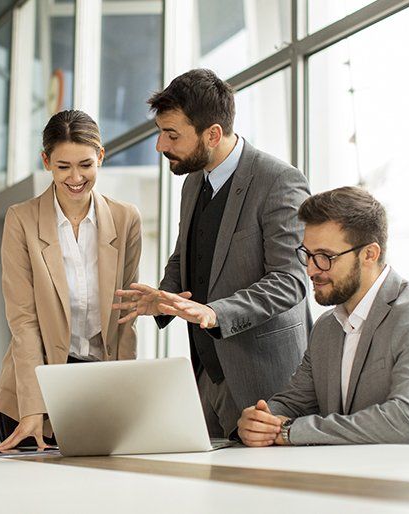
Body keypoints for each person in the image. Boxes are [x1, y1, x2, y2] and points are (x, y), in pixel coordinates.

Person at [114, 68, 311, 438]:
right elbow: (186, 254)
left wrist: (214, 312)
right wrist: (163, 296)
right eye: (160, 133)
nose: (160, 146)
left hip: (267, 381)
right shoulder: (193, 182)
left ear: (213, 134)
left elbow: (291, 281)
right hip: (207, 375)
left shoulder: (279, 181)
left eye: (171, 135)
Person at [236, 186, 409, 447]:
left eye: (325, 257)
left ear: (369, 254)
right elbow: (293, 401)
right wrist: (260, 420)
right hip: (355, 479)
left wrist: (289, 431)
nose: (311, 269)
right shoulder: (327, 327)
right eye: (307, 254)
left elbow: (406, 423)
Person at [0, 110, 142, 450]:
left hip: (97, 388)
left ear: (101, 156)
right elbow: (23, 322)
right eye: (63, 167)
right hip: (33, 391)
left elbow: (126, 316)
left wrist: (126, 397)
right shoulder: (22, 220)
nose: (76, 177)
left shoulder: (125, 218)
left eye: (86, 165)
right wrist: (33, 408)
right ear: (46, 161)